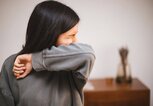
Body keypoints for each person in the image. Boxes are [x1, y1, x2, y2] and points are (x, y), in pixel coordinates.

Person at [0, 1, 95, 106]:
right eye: (71, 36)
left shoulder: (72, 66)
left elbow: (87, 53)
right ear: (50, 34)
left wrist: (34, 60)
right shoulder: (11, 65)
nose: (75, 41)